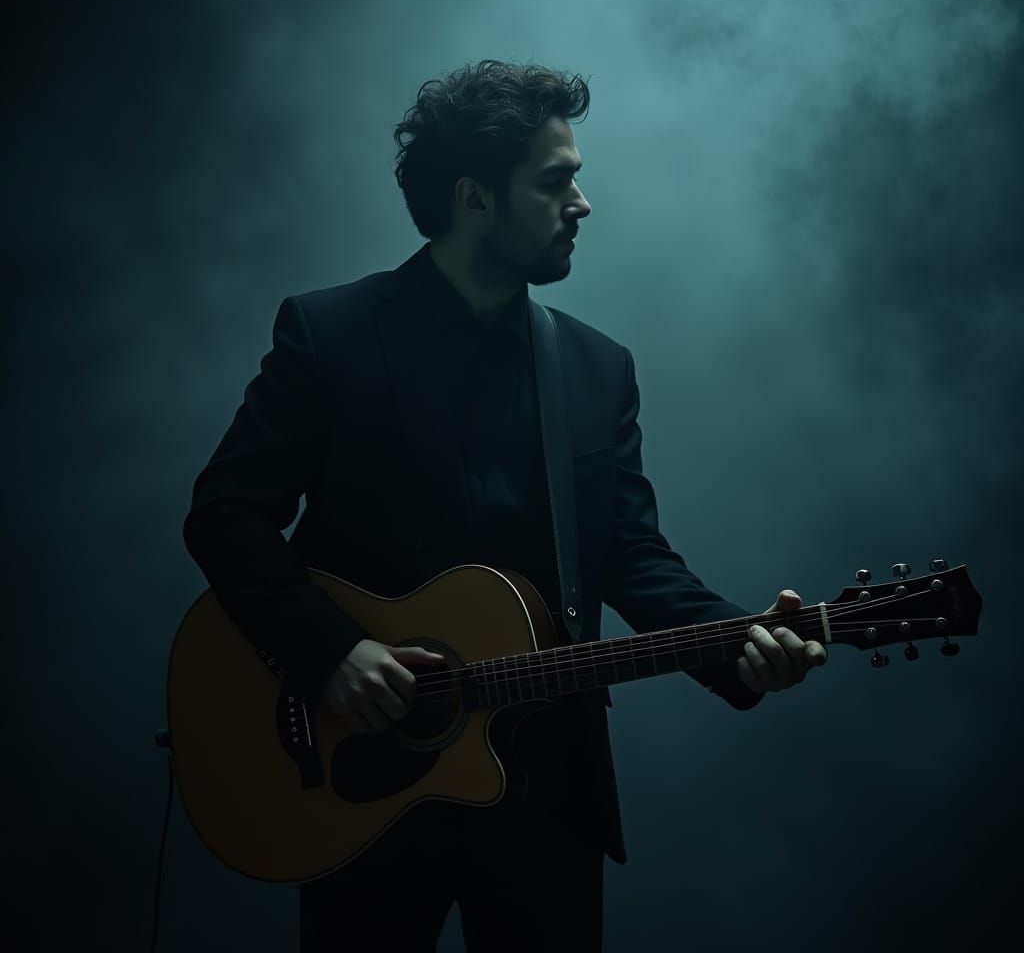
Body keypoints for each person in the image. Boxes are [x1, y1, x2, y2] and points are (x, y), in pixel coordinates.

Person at [182, 58, 828, 952]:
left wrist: (738, 642)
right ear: (475, 197)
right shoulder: (329, 334)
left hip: (547, 795)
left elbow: (631, 554)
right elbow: (225, 514)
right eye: (557, 179)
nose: (583, 203)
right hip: (363, 775)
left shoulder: (597, 370)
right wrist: (334, 652)